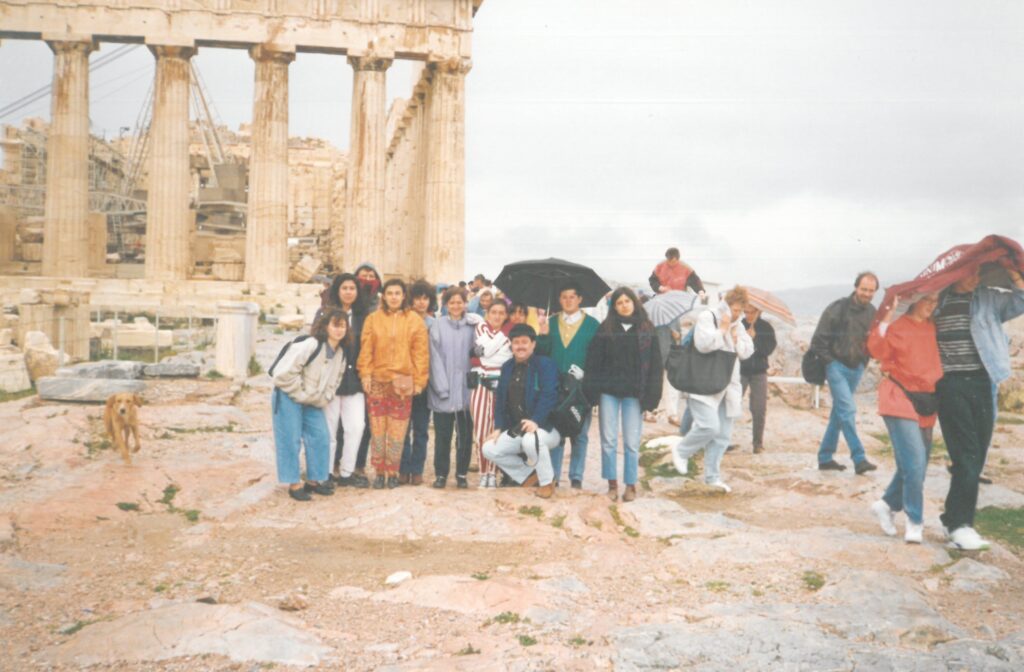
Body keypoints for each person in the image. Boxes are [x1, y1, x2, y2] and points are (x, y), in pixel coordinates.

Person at [933, 264, 1024, 550]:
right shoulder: (938, 301)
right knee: (967, 454)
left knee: (976, 455)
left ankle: (951, 519)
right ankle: (961, 526)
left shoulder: (988, 298)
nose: (977, 278)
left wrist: (1014, 274)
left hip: (983, 382)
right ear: (958, 274)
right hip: (950, 384)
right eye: (972, 272)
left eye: (979, 273)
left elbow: (1021, 299)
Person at [867, 294, 943, 544]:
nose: (932, 305)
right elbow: (875, 349)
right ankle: (914, 520)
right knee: (915, 464)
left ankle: (886, 504)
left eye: (935, 300)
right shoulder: (897, 326)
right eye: (927, 300)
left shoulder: (933, 326)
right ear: (915, 301)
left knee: (914, 465)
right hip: (898, 396)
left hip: (926, 401)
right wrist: (887, 317)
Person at [670, 287, 754, 493]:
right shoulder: (708, 317)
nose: (737, 314)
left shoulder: (738, 325)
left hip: (728, 386)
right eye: (734, 309)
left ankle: (712, 477)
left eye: (740, 311)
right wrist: (722, 330)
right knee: (709, 427)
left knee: (723, 436)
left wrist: (736, 339)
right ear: (726, 304)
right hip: (704, 381)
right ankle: (681, 451)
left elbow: (746, 352)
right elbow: (702, 345)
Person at [584, 287, 663, 503]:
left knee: (631, 442)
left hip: (634, 395)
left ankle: (630, 484)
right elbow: (593, 361)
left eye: (627, 301)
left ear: (634, 303)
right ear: (614, 307)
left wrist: (653, 396)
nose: (624, 305)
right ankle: (611, 484)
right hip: (608, 392)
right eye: (619, 303)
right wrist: (592, 391)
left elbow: (656, 364)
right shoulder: (606, 328)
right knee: (608, 440)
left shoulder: (646, 328)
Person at [357, 279, 430, 489]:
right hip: (377, 380)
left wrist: (419, 381)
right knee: (378, 429)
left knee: (398, 430)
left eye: (398, 293)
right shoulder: (373, 319)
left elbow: (420, 354)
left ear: (404, 296)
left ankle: (393, 472)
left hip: (402, 383)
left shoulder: (414, 320)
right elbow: (366, 349)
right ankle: (379, 472)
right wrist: (365, 374)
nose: (394, 297)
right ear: (384, 296)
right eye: (390, 293)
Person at [271, 308, 348, 501]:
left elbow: (335, 381)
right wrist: (301, 394)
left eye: (343, 326)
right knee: (290, 439)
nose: (339, 330)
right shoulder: (310, 345)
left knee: (321, 437)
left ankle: (314, 481)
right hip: (288, 396)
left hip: (312, 400)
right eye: (335, 325)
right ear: (326, 326)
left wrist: (323, 398)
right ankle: (294, 484)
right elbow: (282, 375)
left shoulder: (340, 354)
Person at [810, 272, 880, 474]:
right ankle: (859, 458)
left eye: (871, 291)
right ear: (856, 287)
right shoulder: (837, 308)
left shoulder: (872, 312)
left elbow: (873, 341)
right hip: (836, 367)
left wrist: (864, 361)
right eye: (864, 289)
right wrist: (830, 362)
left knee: (839, 413)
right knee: (847, 410)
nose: (867, 294)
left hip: (856, 368)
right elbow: (818, 340)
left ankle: (825, 457)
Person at [482, 324, 561, 498]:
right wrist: (498, 428)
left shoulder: (545, 364)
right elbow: (500, 400)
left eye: (525, 342)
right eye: (516, 342)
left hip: (546, 429)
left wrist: (536, 420)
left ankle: (547, 482)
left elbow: (549, 395)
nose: (520, 346)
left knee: (530, 440)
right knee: (489, 448)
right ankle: (529, 475)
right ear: (511, 345)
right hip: (519, 430)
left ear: (533, 344)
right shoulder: (507, 367)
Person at [538, 281, 601, 488]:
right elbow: (542, 354)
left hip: (580, 389)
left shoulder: (592, 325)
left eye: (572, 297)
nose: (568, 301)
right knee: (556, 433)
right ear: (559, 299)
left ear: (580, 299)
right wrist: (543, 335)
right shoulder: (551, 322)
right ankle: (554, 476)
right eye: (564, 297)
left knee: (580, 433)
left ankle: (576, 477)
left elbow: (598, 357)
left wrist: (587, 375)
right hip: (556, 387)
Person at [322, 273, 370, 488]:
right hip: (331, 379)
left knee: (356, 426)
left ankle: (347, 472)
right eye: (344, 288)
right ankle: (325, 472)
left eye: (352, 288)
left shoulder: (363, 317)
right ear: (337, 290)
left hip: (354, 380)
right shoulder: (326, 314)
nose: (349, 292)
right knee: (329, 428)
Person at [428, 286, 476, 489]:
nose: (456, 306)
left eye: (460, 302)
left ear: (465, 304)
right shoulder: (437, 325)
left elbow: (479, 352)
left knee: (465, 437)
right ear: (446, 304)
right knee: (442, 436)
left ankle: (462, 474)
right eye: (452, 302)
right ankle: (441, 474)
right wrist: (441, 387)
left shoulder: (473, 326)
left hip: (466, 392)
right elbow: (434, 358)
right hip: (443, 391)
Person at [470, 300, 512, 487]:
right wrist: (498, 348)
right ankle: (483, 472)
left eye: (501, 313)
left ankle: (493, 472)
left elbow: (489, 354)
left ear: (506, 315)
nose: (497, 316)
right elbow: (487, 354)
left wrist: (486, 353)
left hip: (501, 386)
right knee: (480, 431)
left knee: (497, 429)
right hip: (480, 384)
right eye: (494, 312)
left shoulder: (511, 330)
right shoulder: (480, 327)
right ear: (487, 313)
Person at [399, 280, 437, 485]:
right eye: (418, 298)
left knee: (421, 428)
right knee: (403, 427)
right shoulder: (403, 320)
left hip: (425, 380)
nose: (422, 302)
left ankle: (417, 469)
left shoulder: (435, 324)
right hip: (405, 379)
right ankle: (403, 467)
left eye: (425, 298)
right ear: (411, 300)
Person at [740, 304, 777, 453]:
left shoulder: (766, 327)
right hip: (740, 371)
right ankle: (723, 441)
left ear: (759, 311)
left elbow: (768, 350)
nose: (748, 315)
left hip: (759, 372)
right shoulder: (739, 326)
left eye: (751, 312)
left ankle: (757, 444)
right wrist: (746, 339)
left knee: (759, 409)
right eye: (745, 312)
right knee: (731, 405)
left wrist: (755, 339)